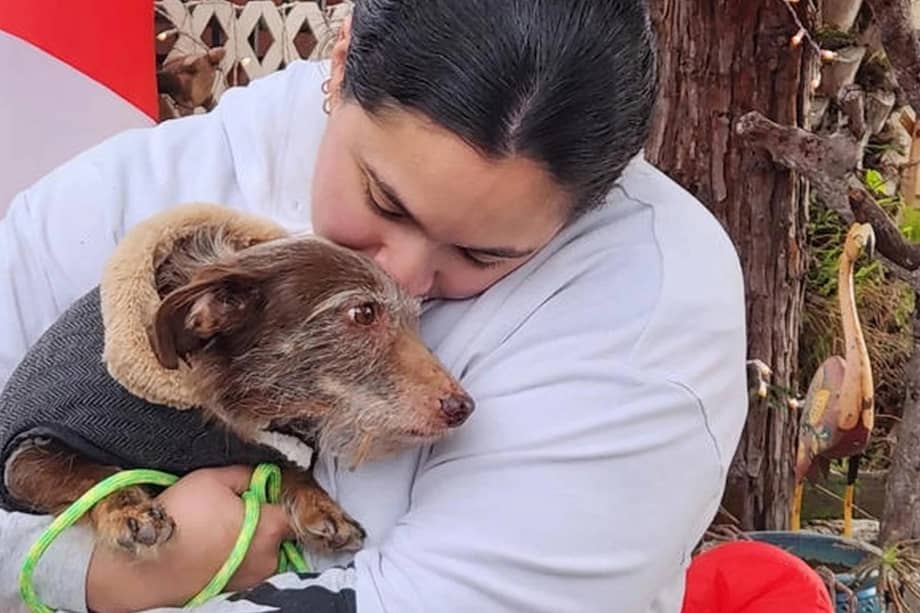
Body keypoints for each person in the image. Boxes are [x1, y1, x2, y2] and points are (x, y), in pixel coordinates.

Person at [0, 1, 748, 612]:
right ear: (341, 53)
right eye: (383, 200)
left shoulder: (645, 320)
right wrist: (98, 573)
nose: (408, 276)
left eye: (483, 255)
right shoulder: (127, 193)